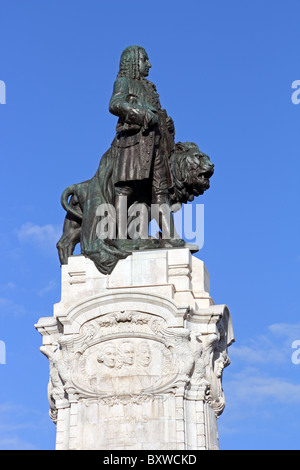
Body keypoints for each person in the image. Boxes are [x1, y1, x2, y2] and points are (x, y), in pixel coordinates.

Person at [109, 45, 183, 244]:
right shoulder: (124, 82)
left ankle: (170, 237)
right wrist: (141, 114)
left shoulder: (150, 88)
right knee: (126, 189)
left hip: (156, 144)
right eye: (145, 60)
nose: (149, 64)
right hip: (133, 141)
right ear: (134, 62)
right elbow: (115, 104)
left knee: (160, 190)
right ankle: (120, 236)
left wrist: (166, 123)